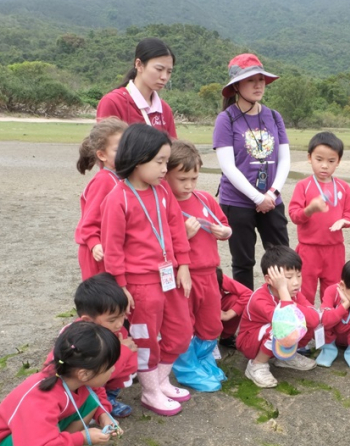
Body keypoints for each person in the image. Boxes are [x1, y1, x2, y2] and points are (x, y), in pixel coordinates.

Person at [101, 124, 193, 416]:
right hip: (140, 285)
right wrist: (122, 286)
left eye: (166, 161)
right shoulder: (118, 198)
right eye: (160, 162)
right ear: (138, 159)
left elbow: (176, 229)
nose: (165, 169)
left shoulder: (162, 191)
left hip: (168, 277)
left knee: (181, 329)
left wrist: (184, 265)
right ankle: (151, 391)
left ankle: (161, 380)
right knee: (146, 338)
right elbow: (112, 247)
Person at [214, 53, 291, 290]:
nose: (258, 85)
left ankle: (284, 307)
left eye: (261, 79)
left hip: (272, 199)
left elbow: (284, 158)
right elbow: (228, 166)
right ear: (236, 86)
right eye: (250, 80)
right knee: (243, 262)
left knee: (282, 258)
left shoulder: (274, 116)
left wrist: (272, 193)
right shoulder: (226, 119)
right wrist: (258, 197)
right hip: (237, 202)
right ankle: (247, 313)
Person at [165, 139, 232, 389]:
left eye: (194, 178)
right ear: (165, 175)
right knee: (183, 324)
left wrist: (224, 232)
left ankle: (203, 361)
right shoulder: (164, 204)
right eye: (182, 179)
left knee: (211, 322)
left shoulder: (205, 199)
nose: (189, 185)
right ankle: (186, 368)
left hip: (208, 274)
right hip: (182, 276)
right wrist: (183, 235)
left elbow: (224, 225)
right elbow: (156, 244)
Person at [237, 246, 320, 388]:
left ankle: (285, 357)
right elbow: (284, 321)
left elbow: (314, 319)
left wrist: (290, 300)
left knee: (305, 322)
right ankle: (257, 365)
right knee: (280, 328)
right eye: (288, 277)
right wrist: (283, 290)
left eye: (298, 275)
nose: (296, 282)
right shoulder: (260, 298)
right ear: (269, 279)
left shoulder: (295, 293)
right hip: (250, 342)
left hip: (274, 335)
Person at [289, 132, 350, 305]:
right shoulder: (303, 185)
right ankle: (306, 326)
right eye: (319, 159)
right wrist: (309, 210)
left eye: (331, 161)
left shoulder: (344, 187)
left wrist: (345, 221)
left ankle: (329, 327)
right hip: (308, 249)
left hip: (334, 249)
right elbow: (294, 215)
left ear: (338, 161)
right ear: (309, 158)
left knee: (332, 291)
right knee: (305, 291)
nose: (324, 166)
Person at [73, 273, 138, 418]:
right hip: (85, 382)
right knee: (126, 356)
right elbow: (96, 373)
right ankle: (94, 404)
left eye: (123, 315)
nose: (120, 323)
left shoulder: (113, 328)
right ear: (88, 320)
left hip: (99, 377)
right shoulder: (84, 339)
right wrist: (125, 351)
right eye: (113, 319)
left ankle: (107, 397)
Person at [75, 118, 128, 280]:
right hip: (97, 253)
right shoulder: (104, 180)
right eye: (119, 149)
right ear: (102, 155)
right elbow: (88, 221)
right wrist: (94, 243)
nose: (126, 152)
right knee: (102, 300)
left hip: (110, 248)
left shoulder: (122, 178)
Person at [96, 37, 177, 138]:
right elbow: (106, 149)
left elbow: (173, 151)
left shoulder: (165, 110)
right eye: (159, 69)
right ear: (139, 64)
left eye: (169, 72)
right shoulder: (113, 102)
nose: (164, 77)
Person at [217, 266, 253, 349]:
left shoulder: (215, 275)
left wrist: (228, 314)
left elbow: (247, 293)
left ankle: (226, 336)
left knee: (234, 299)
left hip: (215, 309)